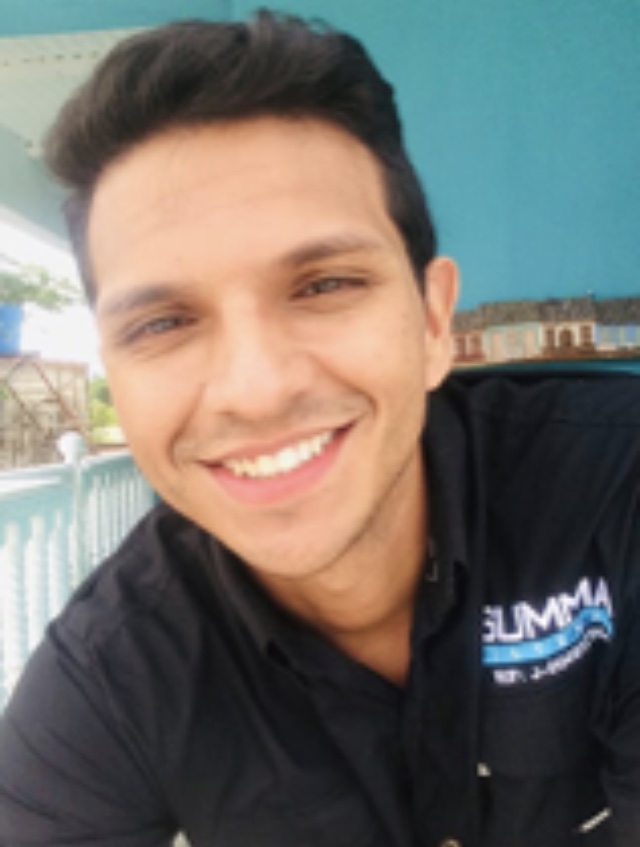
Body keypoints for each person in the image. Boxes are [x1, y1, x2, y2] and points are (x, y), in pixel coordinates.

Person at [0, 9, 639, 847]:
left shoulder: (617, 489)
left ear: (433, 323)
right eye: (162, 323)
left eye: (325, 285)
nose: (257, 390)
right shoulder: (111, 678)